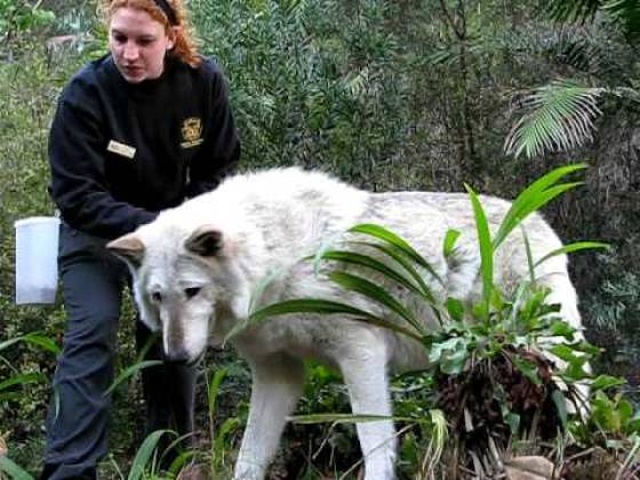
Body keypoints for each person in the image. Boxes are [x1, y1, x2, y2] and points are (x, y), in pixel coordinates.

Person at [40, 0, 241, 477]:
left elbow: (220, 165)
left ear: (170, 37)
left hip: (171, 239)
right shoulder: (86, 95)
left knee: (171, 337)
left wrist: (181, 225)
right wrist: (154, 224)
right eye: (119, 38)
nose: (129, 53)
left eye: (143, 41)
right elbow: (76, 194)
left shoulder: (201, 83)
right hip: (98, 239)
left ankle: (172, 462)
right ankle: (69, 467)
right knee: (94, 330)